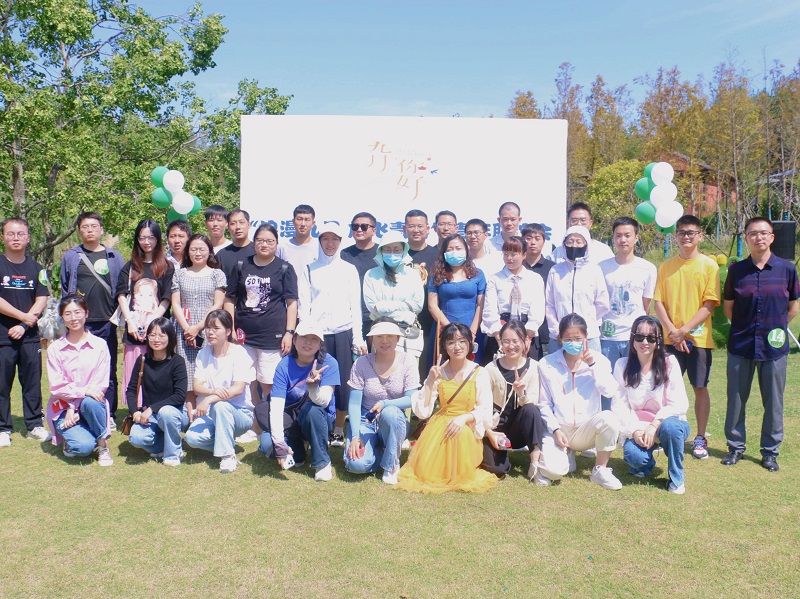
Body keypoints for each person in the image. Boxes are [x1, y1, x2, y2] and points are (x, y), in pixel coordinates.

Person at [722, 217, 800, 472]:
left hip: (773, 348)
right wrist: (745, 327)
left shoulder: (787, 269)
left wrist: (776, 327)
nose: (759, 237)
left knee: (774, 402)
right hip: (741, 345)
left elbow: (793, 307)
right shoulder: (736, 270)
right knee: (736, 399)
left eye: (764, 233)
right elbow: (729, 307)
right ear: (746, 238)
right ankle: (735, 447)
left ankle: (770, 452)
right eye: (753, 233)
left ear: (772, 237)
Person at [397, 323, 497, 493]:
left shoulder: (479, 372)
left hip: (467, 423)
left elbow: (485, 409)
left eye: (462, 341)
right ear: (444, 346)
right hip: (441, 423)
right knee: (427, 472)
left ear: (470, 343)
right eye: (451, 342)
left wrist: (465, 417)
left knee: (460, 434)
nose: (457, 347)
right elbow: (423, 411)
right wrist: (430, 380)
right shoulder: (439, 372)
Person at [653, 214, 720, 460]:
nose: (686, 237)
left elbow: (709, 304)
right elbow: (658, 302)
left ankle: (700, 437)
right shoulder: (666, 266)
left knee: (699, 386)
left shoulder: (709, 265)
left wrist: (684, 330)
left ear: (700, 236)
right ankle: (662, 434)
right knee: (664, 387)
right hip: (670, 340)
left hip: (698, 340)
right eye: (681, 232)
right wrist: (673, 331)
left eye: (691, 232)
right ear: (676, 236)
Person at [297, 222, 367, 447]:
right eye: (325, 239)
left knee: (343, 381)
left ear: (340, 241)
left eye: (334, 239)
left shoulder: (349, 269)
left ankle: (338, 428)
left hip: (342, 332)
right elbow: (303, 305)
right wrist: (304, 334)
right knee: (313, 378)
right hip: (316, 335)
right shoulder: (310, 269)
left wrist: (357, 337)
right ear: (319, 241)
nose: (330, 243)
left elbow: (355, 307)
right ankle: (312, 426)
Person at [536, 313, 623, 490]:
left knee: (609, 418)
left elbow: (610, 391)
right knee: (554, 472)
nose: (573, 343)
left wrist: (592, 365)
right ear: (560, 339)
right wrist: (555, 429)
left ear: (586, 338)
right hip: (560, 430)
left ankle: (600, 469)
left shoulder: (599, 360)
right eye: (568, 339)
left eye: (578, 339)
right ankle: (565, 453)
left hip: (586, 430)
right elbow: (544, 404)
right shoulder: (547, 364)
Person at [59, 211, 124, 425]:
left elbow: (122, 287)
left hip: (107, 322)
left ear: (101, 229)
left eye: (94, 226)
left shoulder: (113, 256)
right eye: (85, 226)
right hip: (80, 324)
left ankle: (109, 413)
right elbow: (65, 287)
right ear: (79, 231)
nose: (90, 230)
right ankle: (77, 409)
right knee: (77, 370)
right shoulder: (71, 256)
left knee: (108, 369)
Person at [612, 316, 690, 494]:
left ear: (659, 340)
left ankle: (677, 479)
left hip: (668, 423)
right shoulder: (622, 366)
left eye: (651, 338)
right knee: (634, 457)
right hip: (639, 425)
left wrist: (655, 424)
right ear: (632, 339)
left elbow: (679, 403)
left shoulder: (670, 363)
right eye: (639, 337)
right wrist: (634, 430)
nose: (645, 342)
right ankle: (646, 464)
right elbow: (619, 405)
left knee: (670, 428)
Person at [255, 321, 340, 481]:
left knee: (312, 410)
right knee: (268, 445)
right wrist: (279, 444)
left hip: (318, 417)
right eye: (304, 337)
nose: (308, 342)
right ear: (294, 340)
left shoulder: (329, 363)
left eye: (314, 339)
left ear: (320, 344)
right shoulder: (283, 365)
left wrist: (313, 388)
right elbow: (276, 407)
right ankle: (299, 447)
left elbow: (324, 401)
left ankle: (322, 463)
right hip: (291, 420)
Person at [225, 223, 298, 400]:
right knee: (246, 380)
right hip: (243, 336)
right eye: (260, 240)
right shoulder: (241, 265)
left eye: (269, 241)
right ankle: (253, 415)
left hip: (272, 337)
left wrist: (289, 333)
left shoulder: (284, 268)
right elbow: (230, 299)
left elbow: (292, 303)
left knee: (269, 382)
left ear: (276, 244)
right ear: (254, 242)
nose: (264, 244)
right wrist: (231, 328)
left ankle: (268, 414)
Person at [344, 319, 418, 484]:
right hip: (366, 421)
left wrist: (385, 404)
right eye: (379, 336)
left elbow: (411, 399)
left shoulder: (408, 361)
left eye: (390, 336)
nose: (385, 341)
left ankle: (391, 464)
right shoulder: (361, 363)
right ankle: (382, 452)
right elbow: (354, 403)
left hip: (394, 421)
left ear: (398, 338)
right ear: (372, 339)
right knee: (356, 465)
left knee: (390, 413)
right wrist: (355, 436)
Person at [183, 310, 257, 473]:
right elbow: (197, 386)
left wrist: (209, 399)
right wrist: (214, 391)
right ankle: (226, 442)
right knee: (191, 438)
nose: (210, 332)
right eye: (208, 328)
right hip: (211, 415)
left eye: (216, 328)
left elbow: (238, 389)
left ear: (228, 331)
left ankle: (228, 456)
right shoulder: (203, 353)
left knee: (221, 406)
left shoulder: (239, 353)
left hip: (240, 414)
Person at [116, 219, 174, 419]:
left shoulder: (166, 267)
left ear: (158, 239)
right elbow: (121, 295)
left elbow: (167, 298)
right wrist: (130, 322)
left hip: (157, 331)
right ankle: (135, 410)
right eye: (142, 238)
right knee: (135, 370)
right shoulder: (130, 267)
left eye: (151, 237)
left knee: (156, 369)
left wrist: (152, 324)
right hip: (134, 330)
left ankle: (155, 410)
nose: (146, 242)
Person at [0, 217, 51, 446]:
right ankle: (3, 428)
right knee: (2, 384)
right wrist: (22, 317)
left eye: (20, 234)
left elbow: (42, 298)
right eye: (11, 233)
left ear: (28, 238)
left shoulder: (37, 269)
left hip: (29, 336)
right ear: (3, 237)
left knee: (32, 383)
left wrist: (23, 325)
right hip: (3, 336)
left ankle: (34, 425)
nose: (16, 238)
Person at [44, 294, 112, 464]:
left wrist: (74, 407)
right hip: (62, 407)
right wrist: (71, 406)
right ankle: (73, 439)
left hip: (89, 405)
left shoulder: (100, 346)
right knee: (84, 447)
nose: (73, 318)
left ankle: (102, 446)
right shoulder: (55, 349)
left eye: (77, 312)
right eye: (67, 314)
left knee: (91, 401)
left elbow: (99, 385)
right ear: (62, 317)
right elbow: (57, 386)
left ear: (86, 313)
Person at [481, 321, 546, 480]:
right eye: (506, 341)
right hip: (497, 429)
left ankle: (535, 462)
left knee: (531, 410)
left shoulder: (534, 367)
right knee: (496, 470)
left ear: (525, 341)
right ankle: (500, 456)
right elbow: (482, 402)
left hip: (521, 430)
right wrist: (489, 426)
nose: (511, 346)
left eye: (515, 341)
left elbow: (533, 402)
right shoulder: (490, 369)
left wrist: (521, 393)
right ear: (500, 342)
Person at [171, 234, 226, 416]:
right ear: (188, 251)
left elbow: (218, 304)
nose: (198, 253)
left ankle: (208, 413)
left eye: (202, 249)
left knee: (207, 369)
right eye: (193, 249)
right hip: (183, 330)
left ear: (209, 251)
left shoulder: (217, 274)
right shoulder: (179, 273)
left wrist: (198, 327)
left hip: (209, 329)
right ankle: (191, 416)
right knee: (187, 372)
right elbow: (176, 303)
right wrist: (187, 328)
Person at [127, 318, 188, 466]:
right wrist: (135, 413)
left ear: (170, 337)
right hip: (151, 416)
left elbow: (180, 396)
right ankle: (163, 445)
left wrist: (152, 408)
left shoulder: (177, 361)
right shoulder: (142, 360)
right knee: (136, 438)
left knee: (166, 412)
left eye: (161, 335)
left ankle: (173, 455)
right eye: (152, 335)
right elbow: (131, 390)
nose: (156, 339)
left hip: (175, 413)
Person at [598, 217, 657, 368]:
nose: (622, 240)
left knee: (634, 378)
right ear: (613, 238)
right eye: (618, 235)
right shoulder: (601, 267)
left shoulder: (648, 268)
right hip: (608, 337)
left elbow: (646, 304)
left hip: (635, 337)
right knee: (607, 379)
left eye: (627, 235)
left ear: (636, 238)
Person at [545, 226, 610, 354]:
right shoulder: (555, 270)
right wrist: (558, 331)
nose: (574, 245)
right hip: (559, 337)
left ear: (587, 246)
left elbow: (602, 304)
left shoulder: (594, 270)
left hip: (588, 336)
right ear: (564, 245)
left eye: (579, 242)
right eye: (570, 242)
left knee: (589, 366)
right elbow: (549, 304)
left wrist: (585, 326)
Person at [482, 236, 544, 363]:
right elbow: (489, 310)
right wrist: (500, 337)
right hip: (501, 330)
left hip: (527, 331)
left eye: (513, 254)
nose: (509, 258)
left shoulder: (535, 279)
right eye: (506, 254)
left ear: (524, 255)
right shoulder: (495, 279)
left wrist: (527, 336)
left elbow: (538, 310)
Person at [362, 230, 424, 358]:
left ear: (404, 251)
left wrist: (383, 306)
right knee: (380, 369)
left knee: (408, 369)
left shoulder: (413, 274)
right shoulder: (371, 275)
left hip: (407, 334)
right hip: (380, 334)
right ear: (381, 252)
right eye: (387, 250)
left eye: (396, 250)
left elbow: (418, 305)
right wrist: (406, 311)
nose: (392, 254)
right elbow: (372, 307)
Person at [428, 233, 486, 362]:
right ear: (444, 253)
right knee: (444, 368)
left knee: (472, 368)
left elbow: (481, 305)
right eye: (450, 249)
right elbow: (432, 306)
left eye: (458, 248)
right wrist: (451, 330)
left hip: (472, 329)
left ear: (466, 251)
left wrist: (471, 332)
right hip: (444, 330)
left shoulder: (478, 274)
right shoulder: (437, 275)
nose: (454, 252)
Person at [404, 209, 439, 380]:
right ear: (405, 229)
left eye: (420, 226)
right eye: (411, 226)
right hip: (403, 322)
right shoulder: (398, 254)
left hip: (430, 321)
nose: (416, 230)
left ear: (428, 229)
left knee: (427, 368)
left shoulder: (438, 255)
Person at [340, 212, 379, 338]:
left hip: (376, 316)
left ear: (374, 230)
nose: (359, 230)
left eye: (364, 226)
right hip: (350, 317)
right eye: (355, 226)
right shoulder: (344, 254)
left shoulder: (382, 253)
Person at [522, 223, 555, 358]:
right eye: (528, 238)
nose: (532, 242)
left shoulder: (553, 269)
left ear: (544, 241)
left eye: (537, 238)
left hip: (545, 331)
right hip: (521, 329)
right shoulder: (516, 267)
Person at [548, 202, 614, 265]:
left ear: (591, 223)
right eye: (574, 220)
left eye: (583, 220)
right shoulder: (557, 253)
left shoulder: (604, 251)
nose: (579, 224)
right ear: (568, 223)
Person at [277, 204, 318, 282]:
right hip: (288, 289)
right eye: (299, 219)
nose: (303, 224)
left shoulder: (319, 246)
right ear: (293, 221)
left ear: (313, 223)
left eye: (307, 220)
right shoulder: (282, 247)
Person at [216, 208, 255, 285]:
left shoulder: (258, 251)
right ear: (228, 227)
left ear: (249, 225)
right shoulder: (221, 255)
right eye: (233, 223)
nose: (238, 227)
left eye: (241, 222)